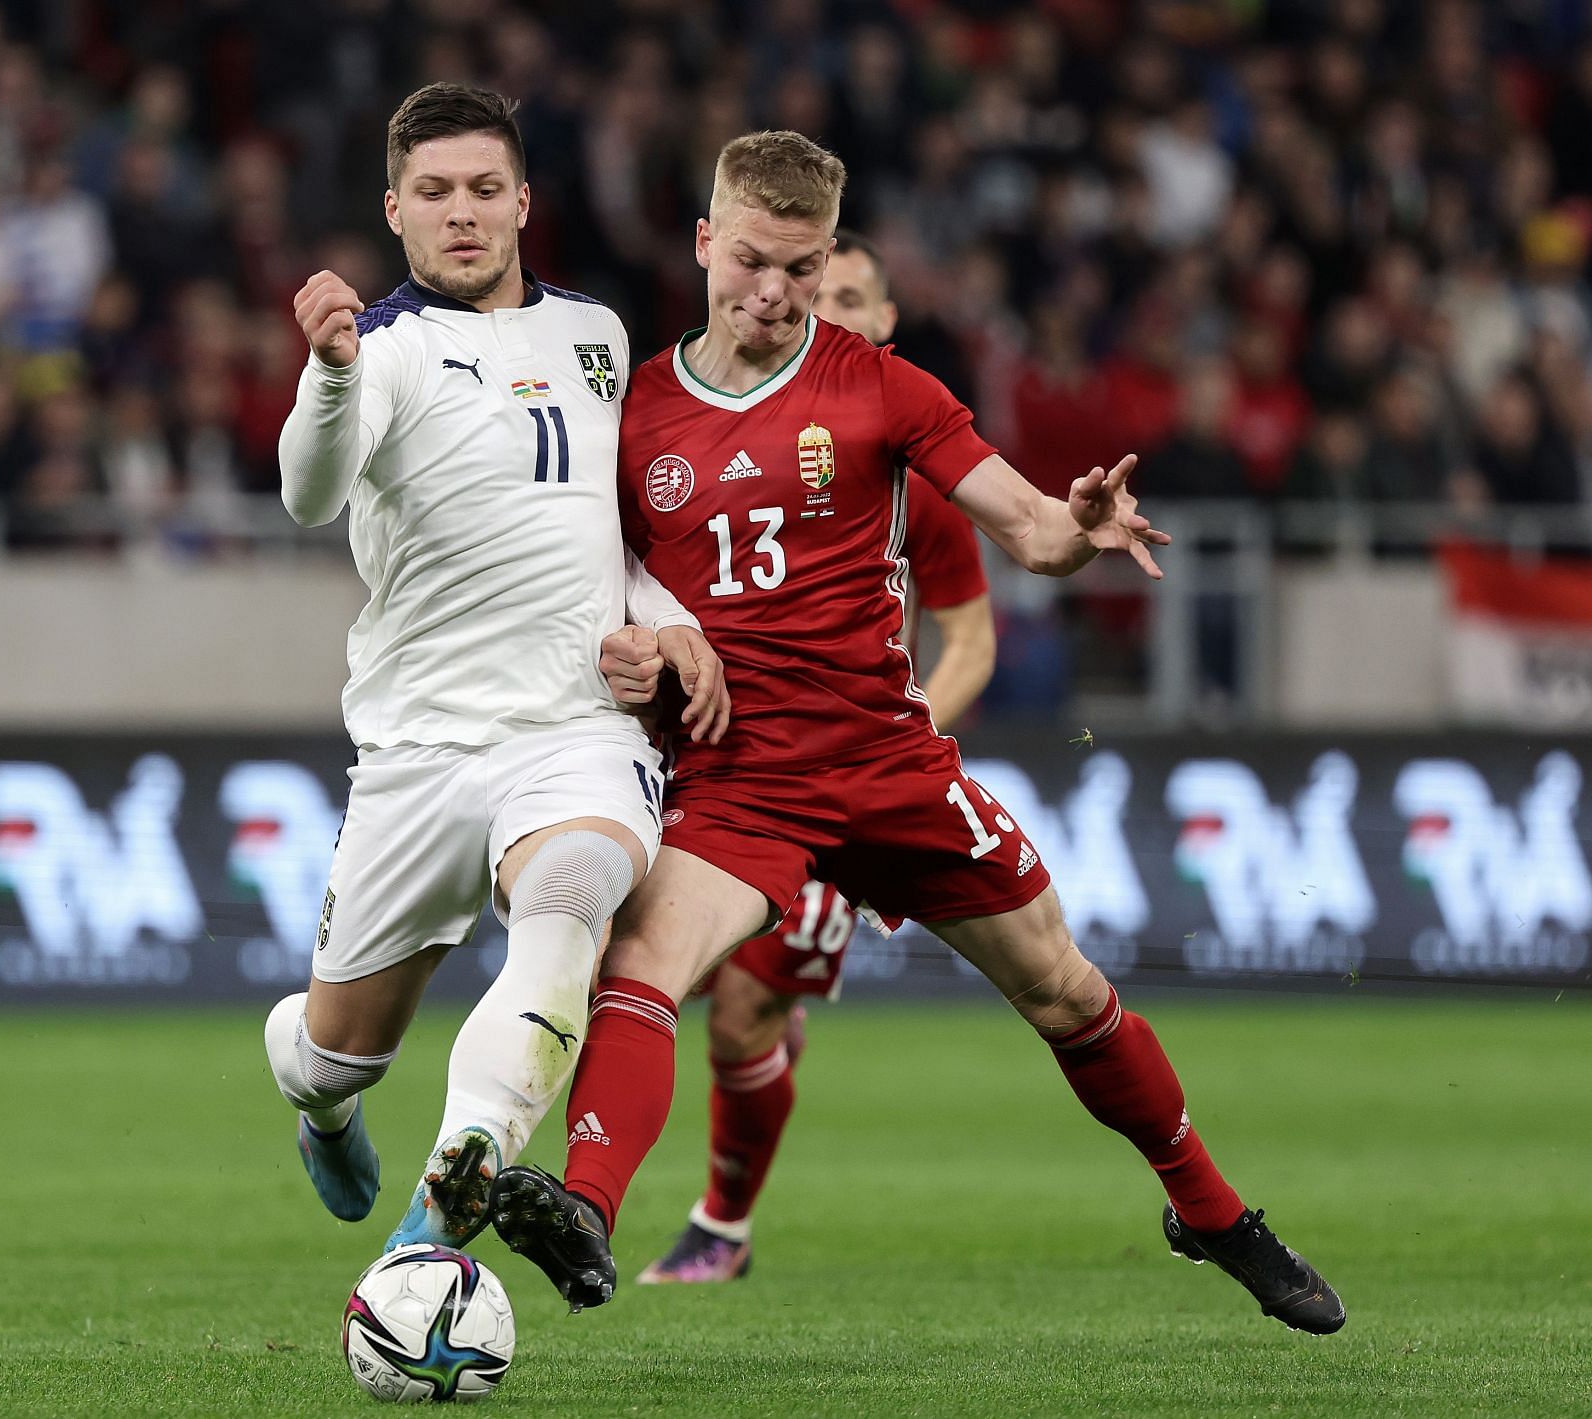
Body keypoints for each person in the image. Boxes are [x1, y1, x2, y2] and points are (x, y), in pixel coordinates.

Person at [489, 132, 1344, 1338]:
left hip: (889, 760)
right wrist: (633, 654)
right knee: (643, 966)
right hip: (741, 779)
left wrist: (1076, 525)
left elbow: (1030, 532)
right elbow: (599, 590)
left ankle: (1207, 1209)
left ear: (829, 257)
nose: (773, 294)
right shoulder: (630, 412)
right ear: (703, 243)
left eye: (799, 268)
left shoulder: (885, 387)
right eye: (750, 262)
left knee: (1062, 989)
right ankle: (585, 1210)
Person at [261, 83, 729, 1256]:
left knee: (570, 900)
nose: (460, 214)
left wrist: (665, 618)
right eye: (433, 194)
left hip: (576, 727)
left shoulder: (598, 336)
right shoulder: (383, 352)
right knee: (332, 1055)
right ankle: (322, 1105)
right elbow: (309, 495)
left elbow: (614, 527)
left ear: (523, 200)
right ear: (394, 211)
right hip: (421, 745)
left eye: (482, 190)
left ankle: (435, 1226)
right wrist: (324, 371)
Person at [639, 230, 996, 1285]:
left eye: (848, 297)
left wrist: (891, 734)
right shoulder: (702, 433)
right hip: (713, 772)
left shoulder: (912, 463)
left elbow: (970, 638)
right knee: (675, 982)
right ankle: (760, 1072)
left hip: (846, 782)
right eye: (810, 290)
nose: (824, 311)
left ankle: (722, 1228)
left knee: (743, 1005)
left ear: (886, 324)